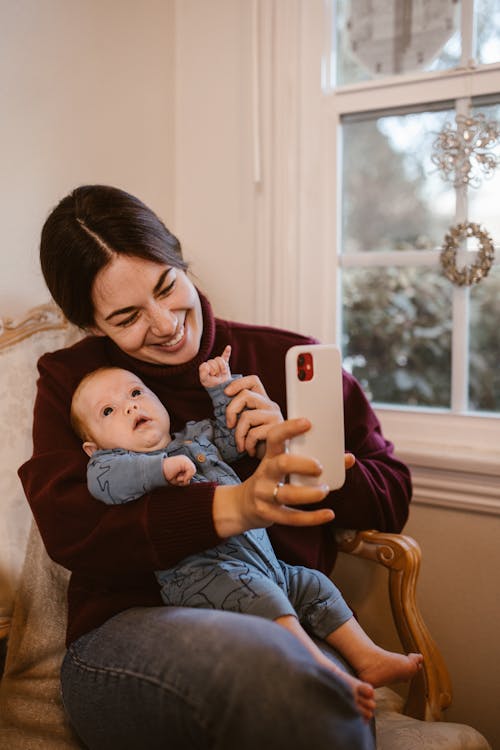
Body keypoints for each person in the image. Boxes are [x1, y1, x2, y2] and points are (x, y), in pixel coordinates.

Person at [19, 184, 413, 750]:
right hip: (131, 629)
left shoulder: (283, 359)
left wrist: (300, 456)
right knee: (273, 674)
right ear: (91, 325)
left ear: (178, 257)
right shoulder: (78, 387)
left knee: (317, 694)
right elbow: (70, 526)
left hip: (286, 612)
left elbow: (392, 495)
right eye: (127, 316)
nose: (164, 324)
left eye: (166, 286)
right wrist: (233, 504)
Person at [70, 352, 422, 722]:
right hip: (204, 577)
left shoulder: (195, 438)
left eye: (136, 393)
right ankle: (322, 673)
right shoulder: (110, 463)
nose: (128, 407)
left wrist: (221, 389)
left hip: (265, 564)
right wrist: (160, 468)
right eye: (107, 411)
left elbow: (232, 438)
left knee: (313, 584)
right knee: (266, 600)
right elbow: (105, 484)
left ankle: (368, 657)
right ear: (94, 447)